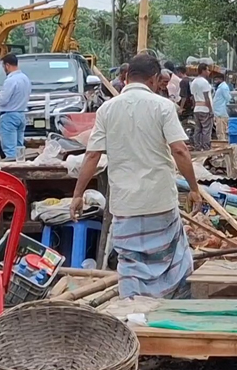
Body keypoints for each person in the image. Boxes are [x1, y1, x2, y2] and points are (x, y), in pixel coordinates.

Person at [70, 53, 203, 299]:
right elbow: (180, 150)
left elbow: (92, 156)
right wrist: (194, 188)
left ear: (126, 76)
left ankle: (133, 316)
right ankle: (170, 312)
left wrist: (77, 195)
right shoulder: (162, 106)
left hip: (125, 205)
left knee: (131, 264)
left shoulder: (107, 109)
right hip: (159, 201)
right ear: (153, 79)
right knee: (172, 262)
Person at [0, 53, 31, 159]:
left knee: (10, 149)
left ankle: (12, 170)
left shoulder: (10, 81)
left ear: (7, 65)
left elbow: (2, 100)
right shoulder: (25, 79)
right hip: (21, 114)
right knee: (19, 147)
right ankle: (21, 169)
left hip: (9, 116)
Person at [190, 63, 214, 150]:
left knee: (198, 129)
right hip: (205, 109)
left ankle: (197, 146)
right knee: (206, 130)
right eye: (207, 70)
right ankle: (206, 147)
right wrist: (211, 110)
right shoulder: (204, 82)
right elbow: (206, 97)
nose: (209, 72)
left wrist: (194, 107)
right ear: (203, 71)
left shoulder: (193, 82)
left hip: (197, 108)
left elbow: (192, 98)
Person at [212, 72, 232, 142]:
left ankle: (223, 148)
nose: (215, 81)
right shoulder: (220, 87)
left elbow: (228, 99)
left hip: (221, 113)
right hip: (218, 112)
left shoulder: (224, 87)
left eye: (216, 79)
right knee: (220, 132)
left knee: (221, 132)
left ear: (220, 79)